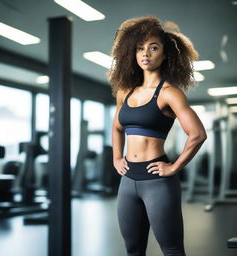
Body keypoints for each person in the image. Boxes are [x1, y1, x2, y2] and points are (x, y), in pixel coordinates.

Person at [108, 16, 207, 256]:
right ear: (133, 53)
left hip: (158, 183)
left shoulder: (170, 93)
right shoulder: (125, 91)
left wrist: (174, 167)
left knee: (172, 250)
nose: (146, 53)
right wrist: (116, 158)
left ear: (165, 54)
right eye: (140, 48)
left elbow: (197, 134)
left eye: (153, 47)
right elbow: (117, 127)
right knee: (133, 250)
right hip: (127, 180)